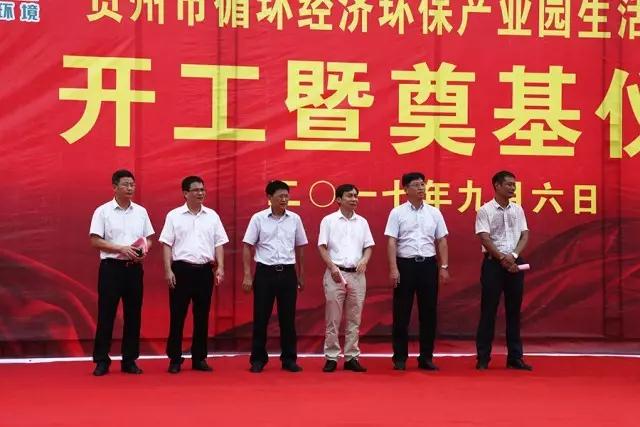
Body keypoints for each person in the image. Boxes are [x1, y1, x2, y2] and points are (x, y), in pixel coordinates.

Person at [159, 176, 228, 374]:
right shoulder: (174, 216)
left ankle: (199, 358)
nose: (200, 193)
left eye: (202, 190)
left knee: (202, 316)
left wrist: (220, 267)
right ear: (185, 193)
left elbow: (219, 243)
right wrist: (168, 270)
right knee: (177, 315)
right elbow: (166, 244)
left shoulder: (212, 216)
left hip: (205, 271)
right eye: (196, 190)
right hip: (181, 270)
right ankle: (175, 358)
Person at [89, 169, 154, 376]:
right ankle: (102, 360)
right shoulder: (103, 211)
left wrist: (144, 250)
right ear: (114, 187)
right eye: (126, 184)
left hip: (134, 269)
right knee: (106, 314)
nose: (130, 188)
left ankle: (129, 360)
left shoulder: (141, 212)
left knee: (133, 315)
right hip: (111, 269)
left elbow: (149, 238)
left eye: (132, 185)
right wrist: (121, 248)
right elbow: (95, 240)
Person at [384, 172, 449, 371]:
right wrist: (393, 268)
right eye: (416, 185)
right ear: (405, 189)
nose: (421, 188)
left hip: (428, 265)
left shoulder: (434, 212)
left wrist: (444, 266)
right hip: (405, 265)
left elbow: (442, 240)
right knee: (401, 313)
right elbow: (392, 241)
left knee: (429, 313)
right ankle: (400, 358)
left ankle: (426, 357)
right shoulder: (397, 213)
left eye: (423, 184)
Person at [242, 180, 308, 373]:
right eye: (280, 196)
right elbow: (247, 246)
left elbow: (300, 247)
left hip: (288, 273)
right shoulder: (258, 219)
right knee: (261, 318)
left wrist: (301, 274)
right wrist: (247, 274)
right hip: (265, 273)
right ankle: (258, 359)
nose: (284, 199)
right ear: (269, 197)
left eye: (287, 196)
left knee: (288, 319)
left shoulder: (294, 219)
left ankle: (289, 359)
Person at [475, 171, 532, 371]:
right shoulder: (485, 210)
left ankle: (515, 357)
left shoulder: (518, 209)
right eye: (508, 184)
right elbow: (484, 237)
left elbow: (525, 235)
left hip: (515, 264)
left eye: (514, 185)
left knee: (514, 311)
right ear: (497, 186)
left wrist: (513, 256)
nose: (512, 188)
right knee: (488, 311)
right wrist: (502, 258)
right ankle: (483, 357)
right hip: (493, 264)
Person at [318, 184, 374, 373]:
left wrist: (365, 260)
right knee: (333, 319)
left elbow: (368, 246)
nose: (354, 199)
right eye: (349, 196)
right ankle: (331, 357)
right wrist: (332, 267)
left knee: (354, 319)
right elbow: (322, 246)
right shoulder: (329, 220)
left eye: (356, 196)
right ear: (339, 199)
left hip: (357, 275)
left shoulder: (362, 222)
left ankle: (351, 357)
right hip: (335, 274)